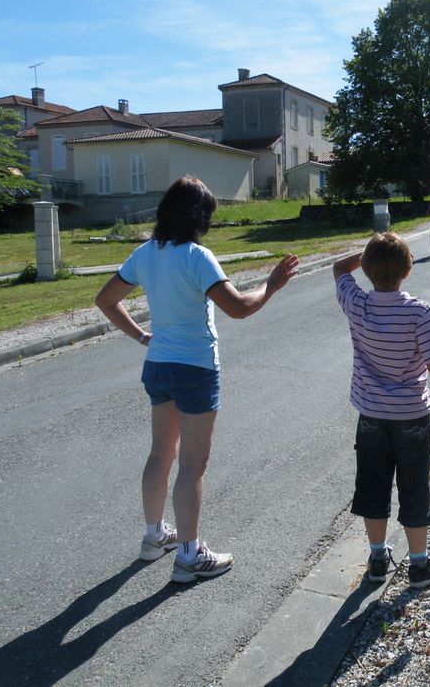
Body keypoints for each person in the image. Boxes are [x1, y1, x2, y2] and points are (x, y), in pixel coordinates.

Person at [95, 176, 299, 583]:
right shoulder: (197, 256)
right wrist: (272, 285)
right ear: (199, 217)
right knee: (192, 464)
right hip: (195, 368)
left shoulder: (145, 253)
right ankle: (189, 555)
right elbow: (239, 308)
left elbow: (106, 300)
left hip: (158, 365)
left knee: (161, 454)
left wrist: (141, 336)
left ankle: (155, 537)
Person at [333, 232, 430, 588]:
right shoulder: (419, 313)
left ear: (366, 269)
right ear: (408, 270)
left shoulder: (357, 305)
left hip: (371, 414)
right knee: (414, 486)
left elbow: (339, 268)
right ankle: (418, 564)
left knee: (373, 485)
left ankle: (378, 557)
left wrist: (367, 253)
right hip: (411, 415)